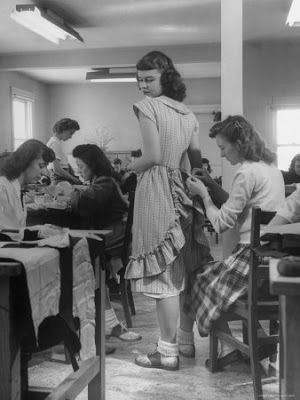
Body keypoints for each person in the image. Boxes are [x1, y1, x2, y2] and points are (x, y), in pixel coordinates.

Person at [125, 50, 208, 371]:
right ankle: (184, 342)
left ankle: (167, 351)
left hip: (157, 188)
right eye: (139, 80)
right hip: (182, 190)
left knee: (164, 278)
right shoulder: (188, 114)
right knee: (180, 270)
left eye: (149, 79)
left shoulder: (147, 108)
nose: (143, 86)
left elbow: (152, 156)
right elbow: (196, 164)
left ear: (166, 77)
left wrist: (125, 170)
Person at [182, 115, 285, 359]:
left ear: (239, 145)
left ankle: (226, 344)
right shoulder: (271, 169)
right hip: (273, 260)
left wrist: (203, 195)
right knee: (209, 277)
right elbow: (241, 205)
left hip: (251, 261)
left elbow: (220, 224)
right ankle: (254, 338)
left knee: (198, 276)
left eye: (222, 148)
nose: (221, 154)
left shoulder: (245, 173)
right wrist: (211, 185)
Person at [70, 144, 142, 348]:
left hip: (113, 238)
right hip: (113, 234)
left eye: (81, 166)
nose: (79, 171)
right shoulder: (104, 180)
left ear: (93, 165)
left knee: (82, 258)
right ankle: (104, 322)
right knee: (85, 256)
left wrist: (74, 191)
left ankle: (91, 323)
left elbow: (83, 204)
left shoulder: (104, 183)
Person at [0, 139, 55, 233]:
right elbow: (6, 235)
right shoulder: (3, 188)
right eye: (41, 166)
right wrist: (37, 232)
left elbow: (16, 229)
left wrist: (40, 229)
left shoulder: (17, 188)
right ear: (25, 161)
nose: (44, 172)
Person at [47, 118, 81, 185]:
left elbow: (63, 163)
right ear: (63, 129)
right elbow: (57, 169)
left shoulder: (56, 142)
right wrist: (73, 178)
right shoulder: (55, 143)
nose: (71, 137)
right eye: (71, 133)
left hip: (61, 177)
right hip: (59, 179)